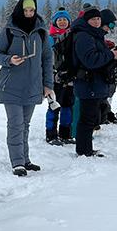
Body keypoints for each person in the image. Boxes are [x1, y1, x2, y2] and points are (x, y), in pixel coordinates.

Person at [0, 0, 53, 175]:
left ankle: (25, 160)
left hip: (33, 86)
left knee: (25, 125)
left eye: (31, 10)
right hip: (10, 86)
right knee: (16, 124)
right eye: (25, 10)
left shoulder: (41, 32)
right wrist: (9, 59)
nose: (28, 13)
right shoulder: (9, 31)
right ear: (20, 9)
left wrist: (47, 84)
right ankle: (17, 162)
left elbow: (47, 59)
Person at [71, 8, 117, 157]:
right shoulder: (84, 36)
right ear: (87, 21)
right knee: (87, 118)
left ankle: (85, 149)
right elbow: (90, 60)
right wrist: (111, 54)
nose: (97, 21)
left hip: (93, 83)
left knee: (90, 118)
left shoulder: (93, 35)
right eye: (93, 19)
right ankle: (83, 151)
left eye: (98, 19)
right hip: (88, 83)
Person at [45, 9, 74, 145]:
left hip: (70, 77)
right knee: (54, 106)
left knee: (68, 106)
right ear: (55, 22)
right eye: (59, 20)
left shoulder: (73, 36)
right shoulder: (50, 38)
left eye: (65, 20)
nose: (62, 22)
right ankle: (51, 135)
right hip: (55, 76)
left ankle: (65, 134)